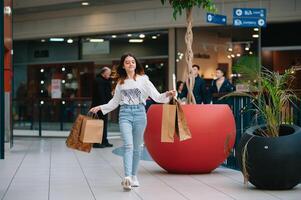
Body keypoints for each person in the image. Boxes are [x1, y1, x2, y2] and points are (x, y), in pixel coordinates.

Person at [89, 53, 175, 191]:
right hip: (125, 114)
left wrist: (168, 94)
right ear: (123, 65)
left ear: (136, 64)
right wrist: (100, 108)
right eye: (127, 62)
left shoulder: (144, 80)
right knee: (128, 146)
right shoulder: (120, 82)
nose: (130, 64)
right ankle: (127, 177)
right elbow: (114, 102)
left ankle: (134, 176)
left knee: (137, 148)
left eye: (133, 62)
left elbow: (157, 97)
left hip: (140, 113)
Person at [91, 67, 113, 148]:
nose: (110, 75)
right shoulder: (98, 81)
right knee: (98, 124)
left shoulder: (105, 81)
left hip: (104, 106)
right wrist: (104, 106)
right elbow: (101, 94)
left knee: (104, 124)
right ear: (103, 73)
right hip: (98, 106)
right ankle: (96, 143)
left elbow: (107, 93)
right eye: (108, 73)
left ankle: (104, 141)